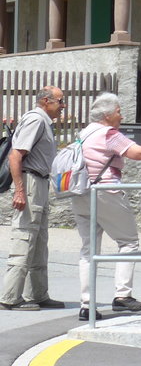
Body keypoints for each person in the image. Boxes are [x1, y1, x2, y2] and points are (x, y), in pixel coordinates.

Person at [72, 93, 141, 320]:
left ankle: (86, 305)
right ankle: (122, 295)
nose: (121, 116)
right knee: (128, 242)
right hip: (105, 192)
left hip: (80, 193)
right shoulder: (109, 134)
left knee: (89, 250)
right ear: (107, 115)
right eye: (118, 111)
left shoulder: (84, 133)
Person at [1, 86, 67, 311]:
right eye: (60, 101)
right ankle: (10, 298)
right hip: (30, 182)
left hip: (39, 182)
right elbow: (15, 156)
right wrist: (20, 191)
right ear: (46, 101)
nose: (63, 106)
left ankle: (37, 294)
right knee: (25, 238)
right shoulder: (36, 120)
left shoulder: (43, 121)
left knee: (39, 241)